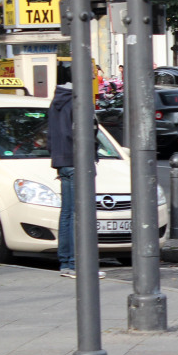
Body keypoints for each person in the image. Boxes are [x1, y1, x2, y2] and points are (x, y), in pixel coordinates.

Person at [46, 68, 104, 280]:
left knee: (68, 213)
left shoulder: (57, 101)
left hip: (63, 161)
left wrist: (58, 158)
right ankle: (79, 264)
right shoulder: (79, 101)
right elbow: (84, 132)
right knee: (82, 214)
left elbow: (51, 135)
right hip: (79, 162)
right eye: (91, 79)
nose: (93, 83)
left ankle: (67, 262)